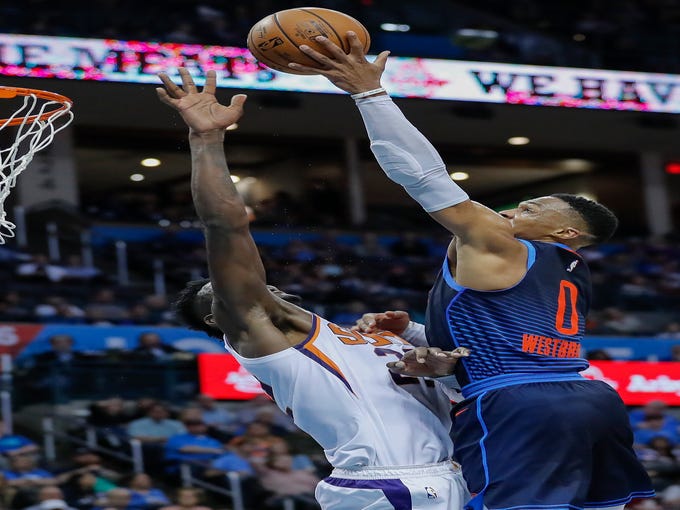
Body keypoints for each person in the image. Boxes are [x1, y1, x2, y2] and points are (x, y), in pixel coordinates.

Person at [290, 32, 656, 510]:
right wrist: (420, 333)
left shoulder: (503, 242)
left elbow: (422, 177)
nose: (521, 204)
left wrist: (368, 93)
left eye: (538, 205)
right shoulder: (571, 270)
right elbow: (509, 338)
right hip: (589, 400)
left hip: (520, 404)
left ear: (565, 232)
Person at [157, 68, 469, 510]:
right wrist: (206, 141)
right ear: (218, 316)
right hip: (387, 486)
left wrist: (437, 362)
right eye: (221, 290)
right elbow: (224, 228)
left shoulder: (361, 335)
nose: (251, 286)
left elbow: (452, 393)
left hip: (447, 474)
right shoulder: (260, 333)